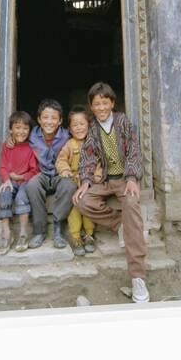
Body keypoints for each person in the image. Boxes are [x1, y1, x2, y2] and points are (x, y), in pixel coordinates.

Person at [72, 82, 150, 303]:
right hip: (106, 180)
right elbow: (87, 157)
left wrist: (133, 178)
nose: (101, 107)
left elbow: (134, 150)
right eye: (97, 104)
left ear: (112, 103)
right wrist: (85, 182)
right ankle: (118, 224)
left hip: (125, 179)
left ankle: (137, 277)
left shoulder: (123, 121)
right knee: (82, 201)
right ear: (91, 106)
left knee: (132, 206)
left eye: (105, 102)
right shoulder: (93, 128)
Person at [25, 98, 77, 249]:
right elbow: (18, 138)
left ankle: (58, 228)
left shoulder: (67, 136)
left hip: (60, 175)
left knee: (69, 185)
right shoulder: (32, 135)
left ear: (60, 121)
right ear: (39, 120)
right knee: (32, 185)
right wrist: (11, 140)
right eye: (45, 117)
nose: (49, 121)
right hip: (41, 174)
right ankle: (39, 231)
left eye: (54, 118)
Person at [55, 106, 99, 256]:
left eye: (82, 124)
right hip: (74, 181)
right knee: (74, 204)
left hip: (89, 182)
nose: (79, 128)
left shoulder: (94, 144)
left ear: (89, 125)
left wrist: (96, 178)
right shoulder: (69, 144)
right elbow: (61, 160)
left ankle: (89, 234)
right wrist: (65, 171)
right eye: (75, 125)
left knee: (87, 203)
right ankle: (75, 236)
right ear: (70, 129)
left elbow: (100, 164)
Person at [0, 111, 38, 255]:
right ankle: (6, 232)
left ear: (30, 130)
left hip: (25, 181)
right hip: (11, 180)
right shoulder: (6, 146)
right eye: (17, 127)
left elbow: (35, 170)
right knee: (4, 193)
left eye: (25, 128)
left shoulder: (31, 148)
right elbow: (2, 166)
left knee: (21, 197)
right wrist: (7, 179)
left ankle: (23, 233)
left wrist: (21, 177)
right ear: (10, 129)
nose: (21, 131)